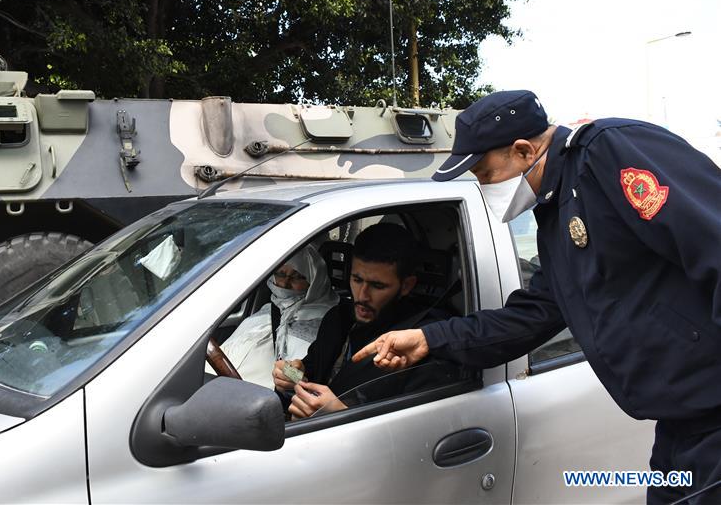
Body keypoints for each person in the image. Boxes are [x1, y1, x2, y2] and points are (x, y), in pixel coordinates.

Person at [353, 90, 721, 504]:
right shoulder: (557, 209)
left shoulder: (610, 152)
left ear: (523, 151)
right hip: (680, 425)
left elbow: (713, 242)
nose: (483, 187)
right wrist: (429, 338)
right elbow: (535, 314)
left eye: (484, 173)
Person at [272, 223, 462, 419]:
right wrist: (291, 374)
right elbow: (310, 374)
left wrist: (341, 415)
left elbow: (420, 427)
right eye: (357, 280)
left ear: (406, 285)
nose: (362, 296)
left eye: (377, 286)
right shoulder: (339, 317)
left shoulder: (419, 343)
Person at [215, 245, 339, 389]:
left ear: (314, 281)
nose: (285, 283)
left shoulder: (329, 324)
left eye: (297, 276)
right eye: (280, 274)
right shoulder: (269, 309)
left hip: (254, 397)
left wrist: (292, 377)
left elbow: (303, 380)